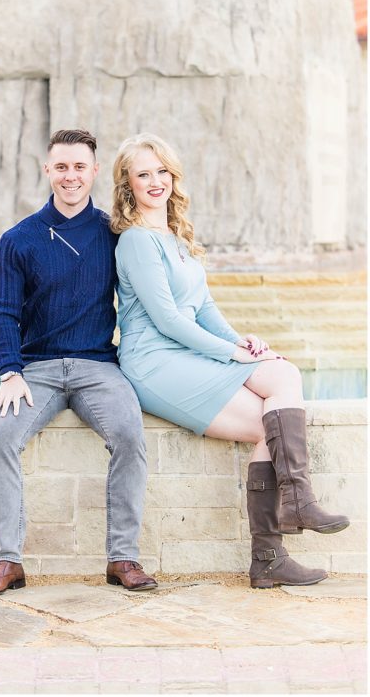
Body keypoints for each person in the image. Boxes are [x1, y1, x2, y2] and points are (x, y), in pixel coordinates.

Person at [109, 132, 349, 590]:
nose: (156, 181)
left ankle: (284, 529)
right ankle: (277, 542)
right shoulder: (137, 241)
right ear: (128, 185)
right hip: (154, 362)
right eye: (144, 174)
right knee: (268, 421)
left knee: (281, 375)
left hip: (185, 350)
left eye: (162, 171)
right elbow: (166, 321)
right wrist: (231, 353)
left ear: (173, 176)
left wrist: (245, 341)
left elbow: (203, 309)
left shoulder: (173, 234)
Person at [0, 129, 156, 597]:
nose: (70, 176)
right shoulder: (19, 239)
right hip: (36, 370)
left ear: (94, 172)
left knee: (131, 435)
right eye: (61, 167)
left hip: (98, 367)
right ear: (47, 171)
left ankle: (122, 557)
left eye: (79, 167)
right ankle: (6, 561)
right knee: (0, 436)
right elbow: (3, 312)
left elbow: (145, 299)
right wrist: (10, 372)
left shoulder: (115, 235)